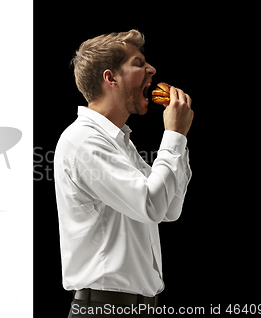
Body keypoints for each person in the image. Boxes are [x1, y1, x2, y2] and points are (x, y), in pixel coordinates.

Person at [54, 30, 193, 317]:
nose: (152, 69)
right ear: (111, 78)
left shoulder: (119, 142)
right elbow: (152, 206)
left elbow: (170, 209)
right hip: (105, 310)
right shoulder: (83, 140)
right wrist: (174, 136)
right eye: (139, 63)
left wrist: (180, 141)